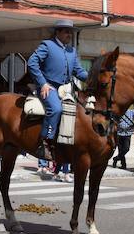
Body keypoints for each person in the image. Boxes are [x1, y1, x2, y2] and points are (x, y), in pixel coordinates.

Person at [27, 19, 89, 162]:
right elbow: (32, 63)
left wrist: (94, 77)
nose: (69, 34)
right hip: (50, 87)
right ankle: (45, 143)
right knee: (56, 109)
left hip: (66, 89)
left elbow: (79, 72)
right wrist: (42, 84)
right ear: (58, 32)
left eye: (71, 32)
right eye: (67, 31)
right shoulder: (47, 45)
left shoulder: (72, 51)